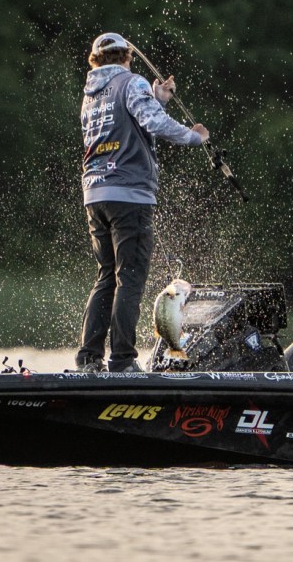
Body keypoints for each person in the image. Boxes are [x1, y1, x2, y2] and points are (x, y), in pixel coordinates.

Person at [75, 32, 209, 373]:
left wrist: (156, 98)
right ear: (127, 57)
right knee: (130, 278)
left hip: (95, 195)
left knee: (107, 277)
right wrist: (193, 136)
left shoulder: (91, 95)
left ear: (95, 61)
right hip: (129, 196)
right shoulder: (131, 82)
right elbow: (153, 123)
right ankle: (122, 360)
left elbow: (131, 124)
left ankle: (89, 358)